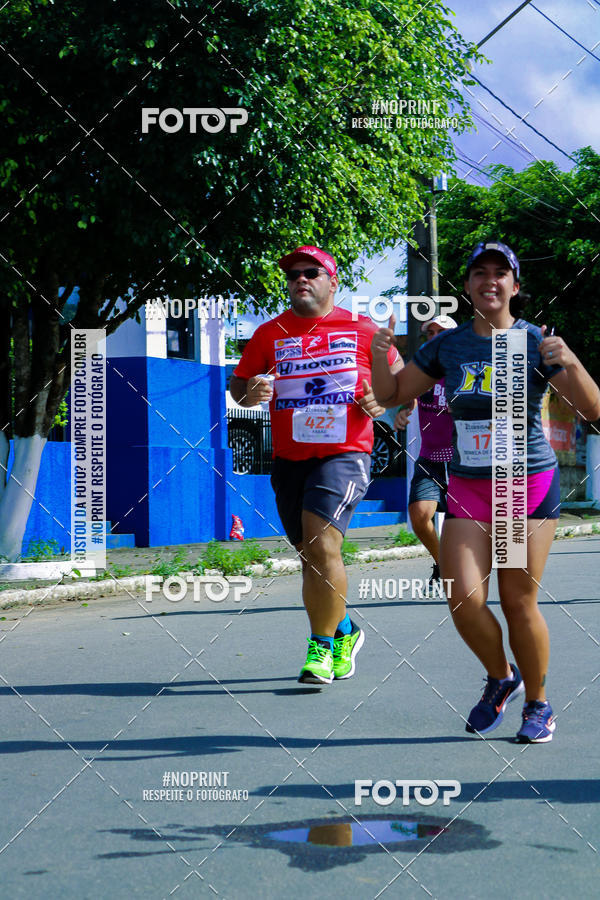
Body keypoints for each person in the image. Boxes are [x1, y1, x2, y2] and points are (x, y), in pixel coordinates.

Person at [371, 240, 600, 742]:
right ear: (469, 286)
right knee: (462, 598)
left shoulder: (535, 340)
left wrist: (574, 363)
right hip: (469, 487)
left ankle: (539, 705)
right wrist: (376, 351)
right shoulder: (446, 347)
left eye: (501, 273)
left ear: (515, 287)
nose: (489, 280)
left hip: (522, 488)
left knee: (518, 602)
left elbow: (592, 411)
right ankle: (502, 677)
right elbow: (390, 395)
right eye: (480, 273)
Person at [230, 245, 402, 684]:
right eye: (292, 275)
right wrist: (250, 393)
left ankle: (320, 649)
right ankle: (344, 630)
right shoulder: (270, 333)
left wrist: (379, 399)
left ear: (332, 281)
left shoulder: (363, 329)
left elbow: (399, 387)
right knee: (310, 554)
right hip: (289, 458)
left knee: (322, 545)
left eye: (311, 272)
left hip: (345, 454)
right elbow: (239, 389)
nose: (300, 280)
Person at [394, 315, 457, 586]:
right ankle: (443, 563)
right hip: (430, 459)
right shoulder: (420, 372)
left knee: (466, 526)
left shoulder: (467, 370)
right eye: (429, 333)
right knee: (419, 516)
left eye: (440, 332)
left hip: (463, 461)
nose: (433, 337)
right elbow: (407, 399)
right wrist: (403, 411)